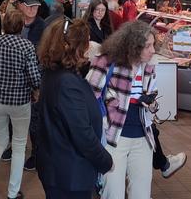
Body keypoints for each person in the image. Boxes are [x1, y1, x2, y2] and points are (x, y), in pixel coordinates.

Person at [37, 18, 114, 199]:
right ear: (75, 47)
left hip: (60, 168)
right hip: (69, 174)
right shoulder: (67, 82)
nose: (89, 47)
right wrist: (106, 161)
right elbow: (82, 133)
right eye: (86, 41)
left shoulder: (55, 73)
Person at [86, 21, 158, 199]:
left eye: (153, 45)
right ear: (133, 45)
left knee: (142, 194)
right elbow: (88, 99)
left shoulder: (148, 66)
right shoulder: (106, 60)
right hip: (113, 138)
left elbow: (152, 96)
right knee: (113, 193)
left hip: (143, 137)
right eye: (147, 46)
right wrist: (109, 107)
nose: (153, 50)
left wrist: (152, 105)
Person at [0, 9, 41, 199]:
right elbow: (35, 78)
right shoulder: (26, 46)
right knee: (19, 146)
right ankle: (13, 193)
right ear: (21, 26)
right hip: (20, 102)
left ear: (4, 25)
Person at [16, 0, 47, 171]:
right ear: (22, 6)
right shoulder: (16, 23)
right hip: (16, 78)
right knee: (15, 116)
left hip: (35, 77)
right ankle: (15, 147)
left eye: (35, 6)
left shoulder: (42, 26)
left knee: (34, 118)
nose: (33, 9)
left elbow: (43, 54)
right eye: (29, 6)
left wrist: (38, 83)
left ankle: (36, 153)